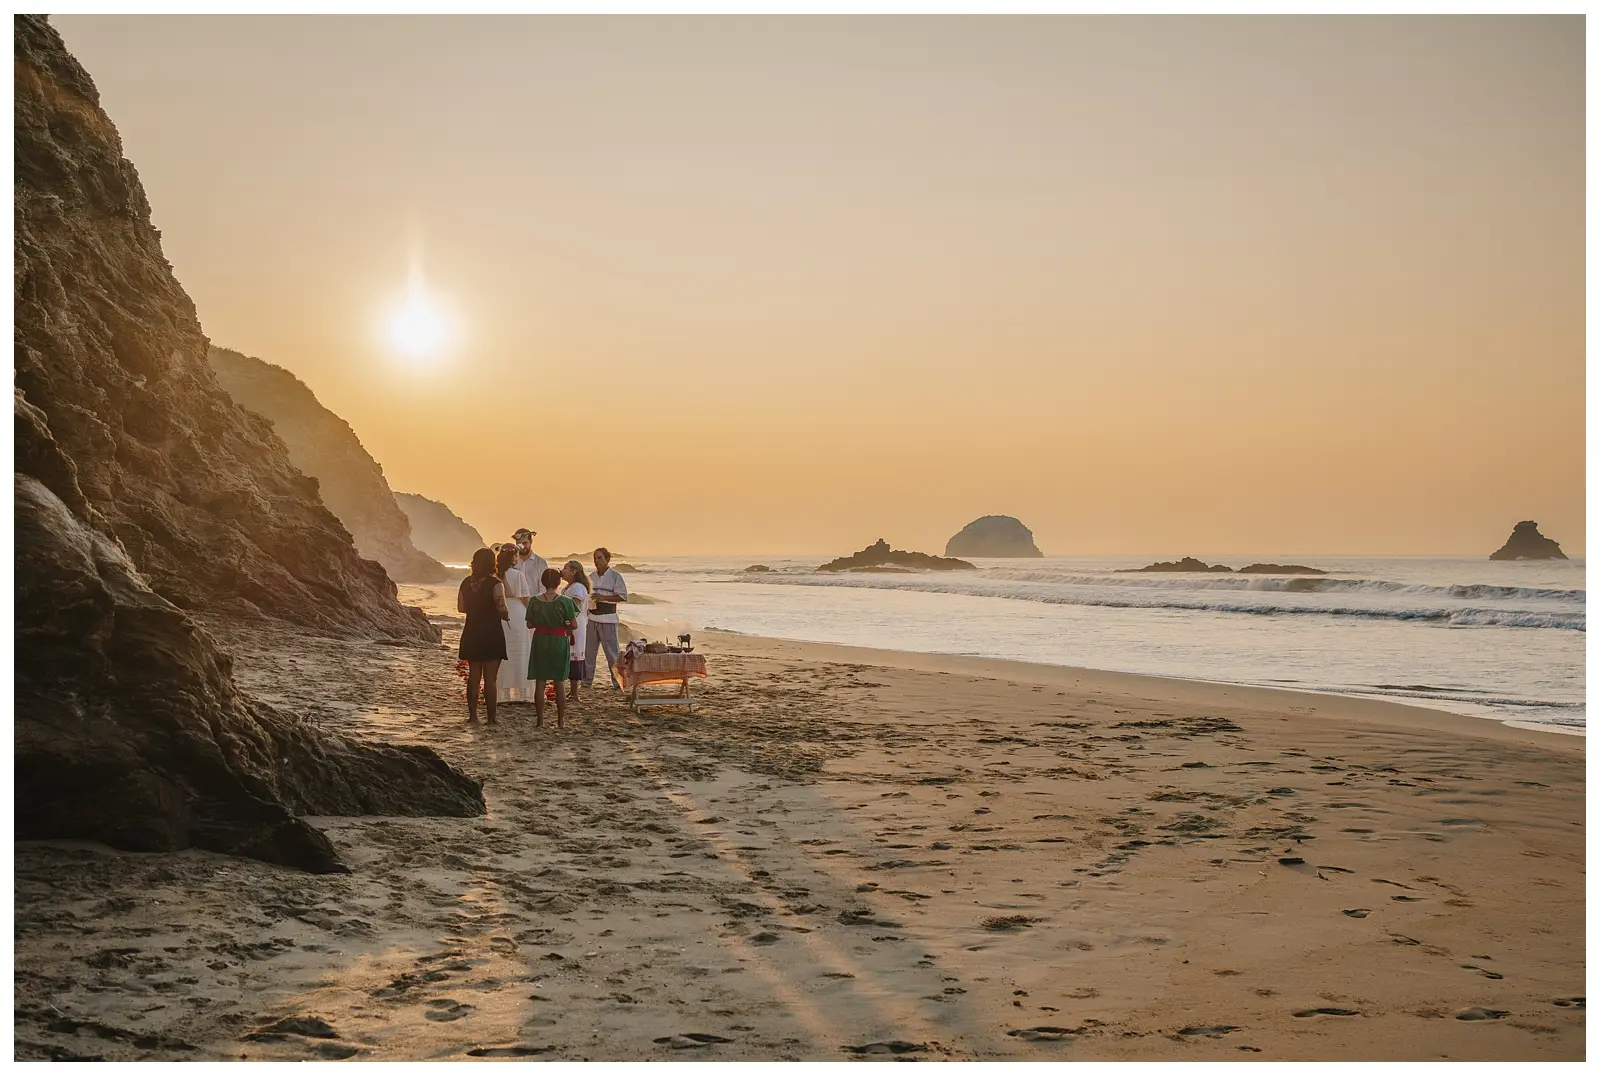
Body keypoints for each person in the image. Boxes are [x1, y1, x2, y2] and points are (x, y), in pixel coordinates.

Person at [456, 547, 508, 724]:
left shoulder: (465, 582)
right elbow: (502, 609)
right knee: (491, 679)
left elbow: (461, 608)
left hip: (472, 631)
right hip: (491, 632)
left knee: (474, 676)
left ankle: (473, 716)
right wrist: (506, 615)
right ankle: (492, 718)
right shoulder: (495, 584)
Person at [526, 567, 579, 728]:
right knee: (559, 682)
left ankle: (540, 721)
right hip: (558, 640)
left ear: (542, 582)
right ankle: (560, 721)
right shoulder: (566, 601)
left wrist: (542, 621)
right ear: (558, 583)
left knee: (540, 682)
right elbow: (574, 624)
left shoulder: (534, 600)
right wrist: (564, 624)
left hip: (540, 639)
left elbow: (529, 623)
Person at [585, 547, 628, 690]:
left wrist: (603, 598)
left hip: (608, 619)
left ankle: (618, 682)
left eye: (600, 558)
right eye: (595, 558)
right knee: (589, 653)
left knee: (612, 654)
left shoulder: (615, 577)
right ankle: (586, 682)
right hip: (592, 618)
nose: (597, 561)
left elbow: (622, 596)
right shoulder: (591, 577)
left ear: (607, 559)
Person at [495, 546, 534, 703]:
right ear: (513, 558)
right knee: (521, 652)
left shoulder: (495, 576)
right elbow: (525, 599)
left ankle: (504, 694)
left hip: (500, 613)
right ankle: (523, 693)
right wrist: (533, 616)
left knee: (503, 654)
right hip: (518, 613)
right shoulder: (518, 575)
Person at [559, 559, 591, 703]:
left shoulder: (577, 587)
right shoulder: (568, 587)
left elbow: (575, 608)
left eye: (566, 568)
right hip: (570, 624)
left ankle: (574, 693)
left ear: (573, 572)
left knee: (575, 656)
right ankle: (571, 692)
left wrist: (567, 622)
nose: (562, 570)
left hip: (575, 625)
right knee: (569, 655)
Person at [512, 528, 547, 593]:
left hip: (534, 602)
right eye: (519, 544)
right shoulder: (510, 562)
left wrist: (535, 602)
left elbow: (544, 588)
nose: (522, 546)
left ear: (531, 541)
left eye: (525, 543)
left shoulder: (541, 563)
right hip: (514, 602)